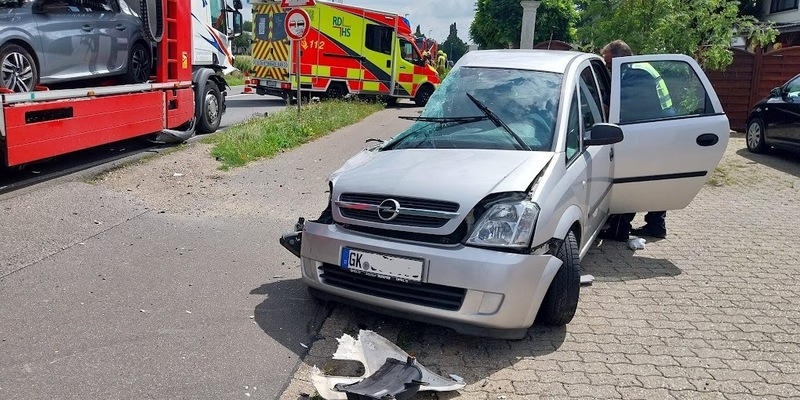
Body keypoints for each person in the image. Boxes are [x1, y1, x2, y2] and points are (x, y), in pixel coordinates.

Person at [599, 40, 668, 241]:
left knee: (632, 178)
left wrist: (603, 108)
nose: (607, 67)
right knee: (653, 180)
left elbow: (631, 108)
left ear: (620, 57)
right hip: (655, 129)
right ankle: (655, 225)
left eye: (609, 63)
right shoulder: (638, 69)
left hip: (648, 133)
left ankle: (620, 228)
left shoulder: (637, 74)